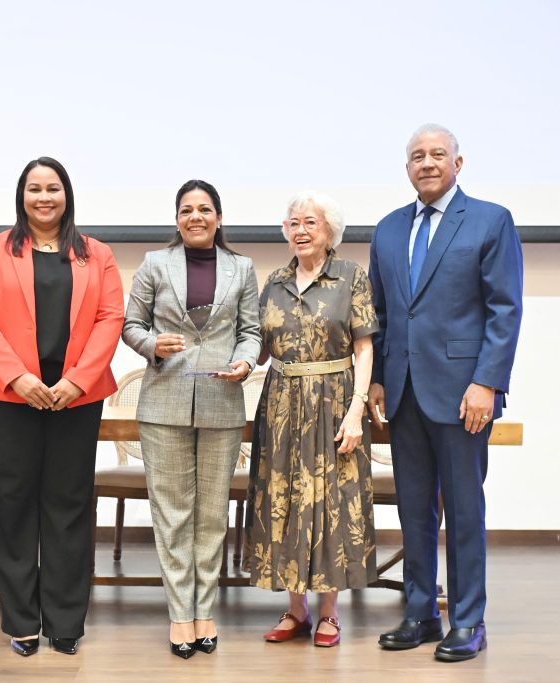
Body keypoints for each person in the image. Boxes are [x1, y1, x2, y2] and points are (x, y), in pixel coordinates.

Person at [368, 124, 523, 662]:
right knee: (413, 512)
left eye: (438, 154)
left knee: (462, 510)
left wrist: (486, 382)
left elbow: (504, 310)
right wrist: (379, 380)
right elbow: (383, 315)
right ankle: (418, 613)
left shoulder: (489, 220)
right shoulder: (388, 230)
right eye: (417, 156)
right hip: (404, 394)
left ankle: (468, 620)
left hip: (464, 396)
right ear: (406, 167)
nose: (427, 163)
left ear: (459, 162)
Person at [0, 157, 123, 657]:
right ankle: (22, 620)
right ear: (21, 196)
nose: (44, 197)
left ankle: (66, 621)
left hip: (76, 398)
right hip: (7, 398)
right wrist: (20, 377)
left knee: (69, 505)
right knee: (12, 506)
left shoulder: (96, 253)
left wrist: (77, 380)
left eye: (53, 188)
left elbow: (109, 317)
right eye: (34, 189)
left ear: (67, 195)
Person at [122, 179, 261, 659]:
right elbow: (131, 325)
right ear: (176, 218)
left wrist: (246, 361)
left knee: (210, 516)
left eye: (205, 209)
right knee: (173, 514)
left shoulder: (241, 268)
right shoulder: (154, 264)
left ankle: (207, 612)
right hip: (164, 402)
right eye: (187, 209)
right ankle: (180, 615)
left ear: (219, 218)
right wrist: (151, 345)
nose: (195, 217)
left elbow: (251, 331)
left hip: (223, 403)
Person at [247, 191, 378, 649]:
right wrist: (237, 359)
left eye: (310, 222)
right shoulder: (274, 281)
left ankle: (329, 612)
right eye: (292, 223)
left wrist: (357, 409)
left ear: (329, 232)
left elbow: (364, 347)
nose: (300, 230)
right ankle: (295, 609)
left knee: (332, 503)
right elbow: (259, 348)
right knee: (283, 500)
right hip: (282, 402)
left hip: (335, 400)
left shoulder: (351, 277)